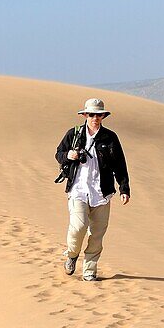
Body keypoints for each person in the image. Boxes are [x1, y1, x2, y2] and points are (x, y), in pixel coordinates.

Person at [54, 98, 130, 281]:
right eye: (92, 114)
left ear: (103, 116)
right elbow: (58, 153)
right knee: (79, 226)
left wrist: (124, 188)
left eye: (99, 114)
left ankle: (89, 270)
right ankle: (72, 254)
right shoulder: (74, 134)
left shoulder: (110, 137)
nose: (96, 117)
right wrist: (68, 155)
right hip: (78, 190)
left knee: (97, 234)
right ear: (85, 115)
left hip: (101, 193)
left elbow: (120, 164)